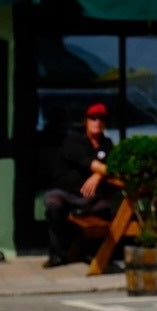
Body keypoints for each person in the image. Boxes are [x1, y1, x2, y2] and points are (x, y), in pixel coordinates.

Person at [42, 101, 117, 267]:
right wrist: (102, 170)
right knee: (53, 205)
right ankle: (57, 254)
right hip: (65, 192)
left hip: (91, 197)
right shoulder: (73, 139)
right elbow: (88, 162)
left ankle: (93, 253)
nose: (97, 122)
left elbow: (116, 164)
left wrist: (98, 176)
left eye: (101, 119)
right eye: (93, 118)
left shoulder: (107, 144)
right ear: (86, 121)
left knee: (107, 208)